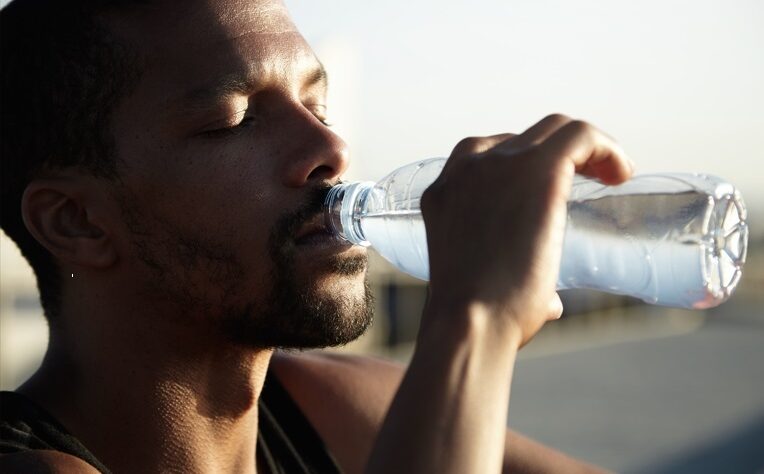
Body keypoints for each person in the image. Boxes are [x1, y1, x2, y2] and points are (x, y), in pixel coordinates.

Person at [0, 0, 633, 472]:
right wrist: (475, 321)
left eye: (318, 106)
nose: (331, 148)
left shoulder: (335, 405)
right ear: (74, 220)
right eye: (237, 120)